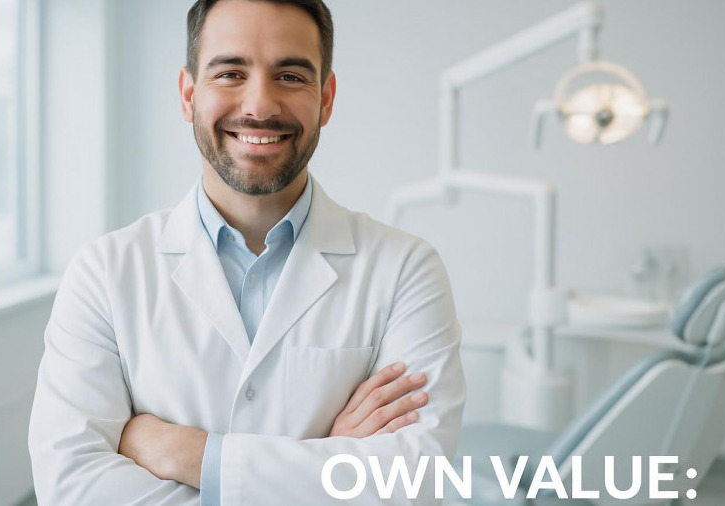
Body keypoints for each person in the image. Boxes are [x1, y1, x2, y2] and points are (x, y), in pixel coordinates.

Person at [28, 0, 466, 504]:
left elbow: (414, 482)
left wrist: (189, 454)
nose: (260, 106)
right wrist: (331, 464)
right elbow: (72, 488)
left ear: (326, 99)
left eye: (290, 76)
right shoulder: (104, 274)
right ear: (189, 94)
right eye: (230, 73)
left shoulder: (406, 270)